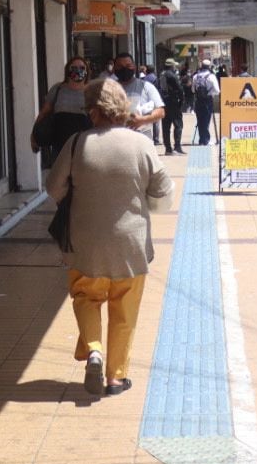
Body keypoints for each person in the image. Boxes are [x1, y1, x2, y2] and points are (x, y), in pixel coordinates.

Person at [45, 79, 173, 396]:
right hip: (131, 247)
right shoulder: (141, 145)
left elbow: (53, 188)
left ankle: (94, 350)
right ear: (122, 109)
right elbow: (162, 193)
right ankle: (116, 377)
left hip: (84, 244)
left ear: (91, 111)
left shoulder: (76, 144)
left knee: (86, 298)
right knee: (124, 309)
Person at [32, 56, 94, 168]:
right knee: (59, 180)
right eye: (74, 67)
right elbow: (44, 113)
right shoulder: (58, 89)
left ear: (86, 70)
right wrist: (34, 135)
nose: (78, 70)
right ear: (67, 70)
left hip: (85, 145)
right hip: (60, 145)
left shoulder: (92, 90)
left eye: (81, 67)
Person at [110, 53, 165, 137]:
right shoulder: (109, 89)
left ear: (134, 67)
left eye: (128, 65)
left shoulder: (146, 86)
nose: (124, 69)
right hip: (116, 139)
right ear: (114, 68)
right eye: (120, 66)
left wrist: (142, 120)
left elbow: (161, 112)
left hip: (142, 139)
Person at [157, 58, 187, 155]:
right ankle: (177, 147)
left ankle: (168, 149)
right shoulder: (171, 75)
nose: (175, 67)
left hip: (164, 102)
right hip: (173, 102)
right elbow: (179, 88)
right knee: (178, 124)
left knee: (166, 126)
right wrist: (182, 100)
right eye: (174, 65)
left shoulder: (161, 74)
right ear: (171, 65)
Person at [191, 58, 221, 145]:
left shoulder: (195, 76)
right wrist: (209, 93)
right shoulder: (211, 76)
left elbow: (193, 90)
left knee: (200, 120)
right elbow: (217, 90)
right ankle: (206, 140)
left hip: (198, 101)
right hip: (207, 101)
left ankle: (201, 139)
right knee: (206, 120)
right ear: (209, 67)